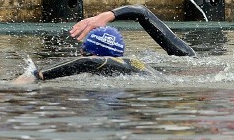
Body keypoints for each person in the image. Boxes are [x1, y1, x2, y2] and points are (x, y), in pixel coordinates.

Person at [13, 5, 195, 83]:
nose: (81, 53)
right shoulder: (186, 59)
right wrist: (105, 16)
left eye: (84, 49)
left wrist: (38, 75)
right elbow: (141, 12)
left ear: (91, 52)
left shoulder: (114, 64)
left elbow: (89, 62)